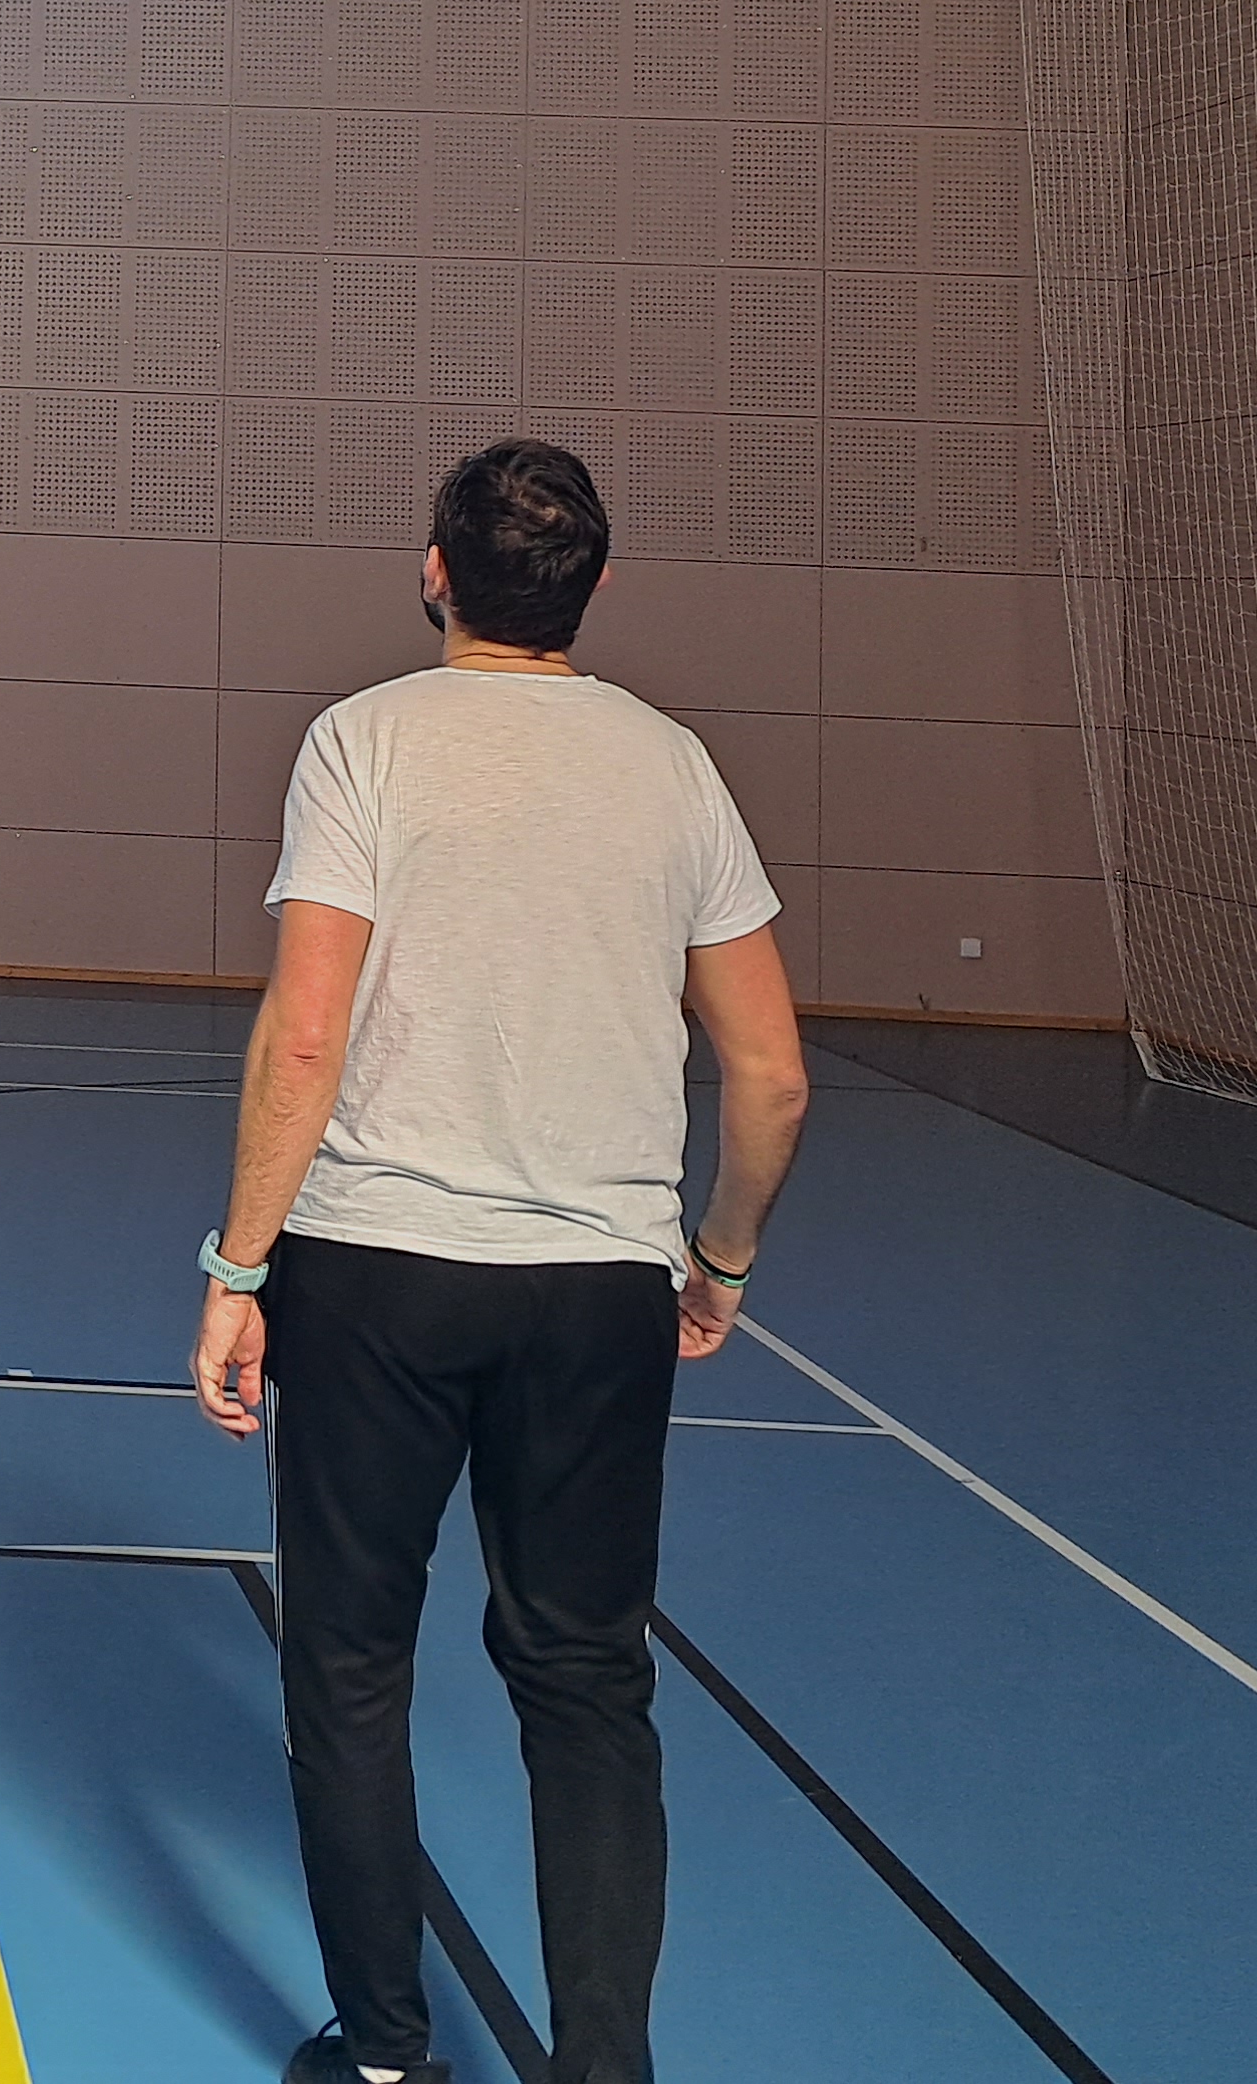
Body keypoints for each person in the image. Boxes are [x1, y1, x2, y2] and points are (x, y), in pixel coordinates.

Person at [191, 441, 811, 2084]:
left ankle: (386, 2056)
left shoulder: (364, 741)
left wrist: (236, 1266)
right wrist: (720, 1259)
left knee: (348, 1667)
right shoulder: (673, 767)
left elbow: (305, 1031)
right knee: (586, 1684)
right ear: (589, 587)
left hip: (374, 1278)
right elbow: (768, 1077)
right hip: (598, 1294)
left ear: (432, 572)